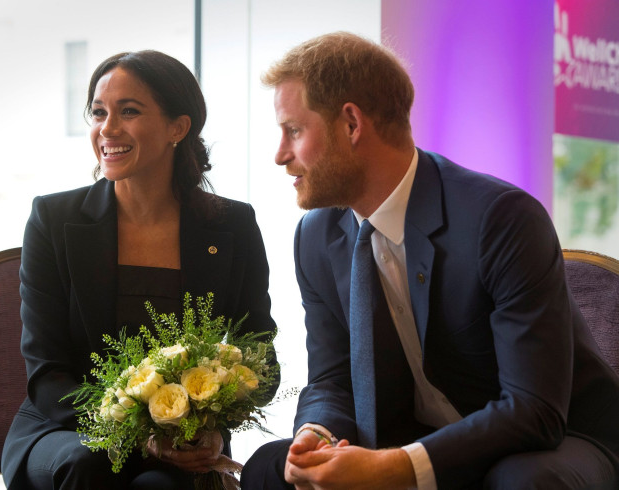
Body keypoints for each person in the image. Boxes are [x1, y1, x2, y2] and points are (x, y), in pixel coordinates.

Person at [241, 32, 619, 489]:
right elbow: (332, 377)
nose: (280, 155)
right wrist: (315, 435)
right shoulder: (316, 236)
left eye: (294, 130)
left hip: (554, 439)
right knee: (271, 466)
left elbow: (533, 410)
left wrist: (397, 467)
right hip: (415, 436)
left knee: (522, 481)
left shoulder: (500, 219)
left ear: (351, 124)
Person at [1, 50, 278, 489]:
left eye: (128, 111)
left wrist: (210, 425)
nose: (107, 129)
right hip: (65, 431)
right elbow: (47, 371)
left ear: (178, 127)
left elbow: (260, 355)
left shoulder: (232, 225)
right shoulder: (53, 219)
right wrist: (140, 435)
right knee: (90, 462)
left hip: (182, 440)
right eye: (98, 112)